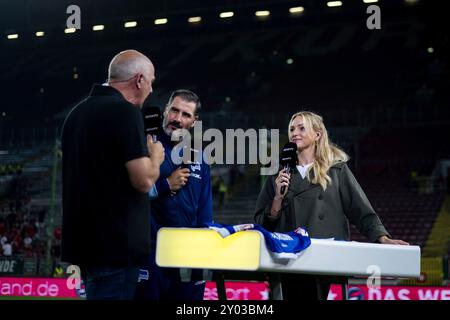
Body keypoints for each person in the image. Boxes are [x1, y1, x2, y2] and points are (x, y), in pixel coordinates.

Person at [254, 111, 408, 300]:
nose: (295, 133)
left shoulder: (337, 171)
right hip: (289, 259)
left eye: (302, 128)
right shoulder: (277, 173)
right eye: (292, 129)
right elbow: (261, 222)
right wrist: (277, 198)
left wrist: (382, 238)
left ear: (317, 134)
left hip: (324, 257)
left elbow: (360, 210)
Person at [61, 50, 165, 300]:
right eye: (151, 80)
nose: (151, 89)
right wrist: (156, 157)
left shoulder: (75, 114)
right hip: (116, 248)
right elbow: (143, 180)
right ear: (139, 79)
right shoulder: (125, 112)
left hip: (85, 246)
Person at [135, 89, 213, 300]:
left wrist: (205, 252)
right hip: (150, 253)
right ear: (165, 111)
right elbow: (126, 196)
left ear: (194, 122)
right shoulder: (145, 146)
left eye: (186, 114)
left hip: (188, 255)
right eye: (174, 111)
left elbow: (205, 212)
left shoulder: (200, 158)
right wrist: (165, 185)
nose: (177, 119)